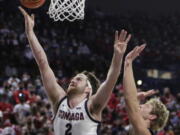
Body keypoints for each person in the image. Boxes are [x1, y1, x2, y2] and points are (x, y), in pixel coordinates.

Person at [18, 6, 131, 135]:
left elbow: (111, 78)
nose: (73, 80)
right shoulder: (58, 100)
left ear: (88, 90)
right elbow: (43, 64)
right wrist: (30, 33)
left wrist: (118, 55)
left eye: (79, 79)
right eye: (74, 77)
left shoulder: (92, 106)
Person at [123, 45, 169, 135]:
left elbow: (129, 99)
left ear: (151, 116)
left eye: (147, 106)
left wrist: (128, 62)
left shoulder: (144, 133)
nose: (141, 105)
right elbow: (130, 104)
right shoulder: (136, 128)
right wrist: (135, 99)